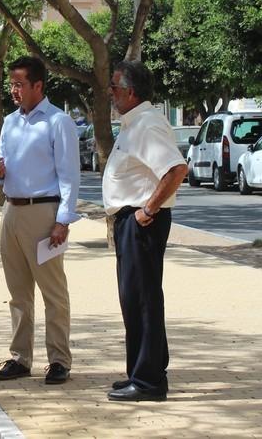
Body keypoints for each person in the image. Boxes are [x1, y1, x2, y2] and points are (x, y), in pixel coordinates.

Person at [0, 56, 80, 385]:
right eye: (11, 84)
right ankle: (20, 357)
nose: (13, 90)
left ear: (38, 86)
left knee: (53, 292)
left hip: (44, 213)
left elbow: (69, 175)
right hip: (11, 210)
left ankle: (59, 359)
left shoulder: (58, 122)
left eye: (19, 84)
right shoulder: (11, 123)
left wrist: (63, 221)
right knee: (18, 292)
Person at [102, 60, 187, 402]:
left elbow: (176, 169)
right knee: (133, 300)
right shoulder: (133, 122)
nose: (110, 93)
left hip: (142, 224)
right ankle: (140, 371)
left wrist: (147, 210)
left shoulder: (147, 124)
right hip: (130, 223)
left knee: (144, 300)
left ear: (131, 92)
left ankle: (149, 381)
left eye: (115, 87)